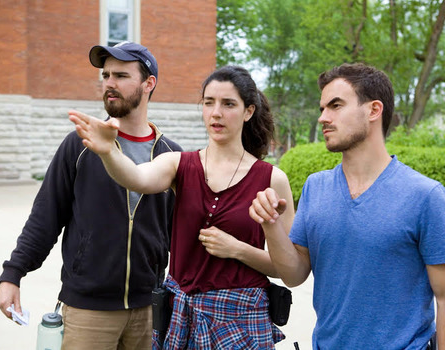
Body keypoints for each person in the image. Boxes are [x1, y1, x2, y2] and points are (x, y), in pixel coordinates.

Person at [69, 65, 295, 349]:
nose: (216, 113)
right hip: (181, 320)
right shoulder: (180, 163)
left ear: (248, 111)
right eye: (209, 103)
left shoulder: (272, 179)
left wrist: (237, 249)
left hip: (242, 324)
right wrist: (109, 153)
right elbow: (137, 177)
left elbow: (291, 270)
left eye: (228, 104)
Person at [0, 41, 182, 349]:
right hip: (87, 310)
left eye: (121, 75)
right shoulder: (79, 145)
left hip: (150, 309)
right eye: (106, 75)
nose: (109, 83)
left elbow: (182, 234)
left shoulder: (171, 155)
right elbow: (45, 217)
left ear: (149, 84)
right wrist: (12, 274)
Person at [249, 63, 445, 349]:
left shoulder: (425, 196)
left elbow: (443, 296)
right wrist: (271, 226)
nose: (323, 118)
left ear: (373, 110)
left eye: (336, 105)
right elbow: (294, 274)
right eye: (322, 108)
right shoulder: (316, 187)